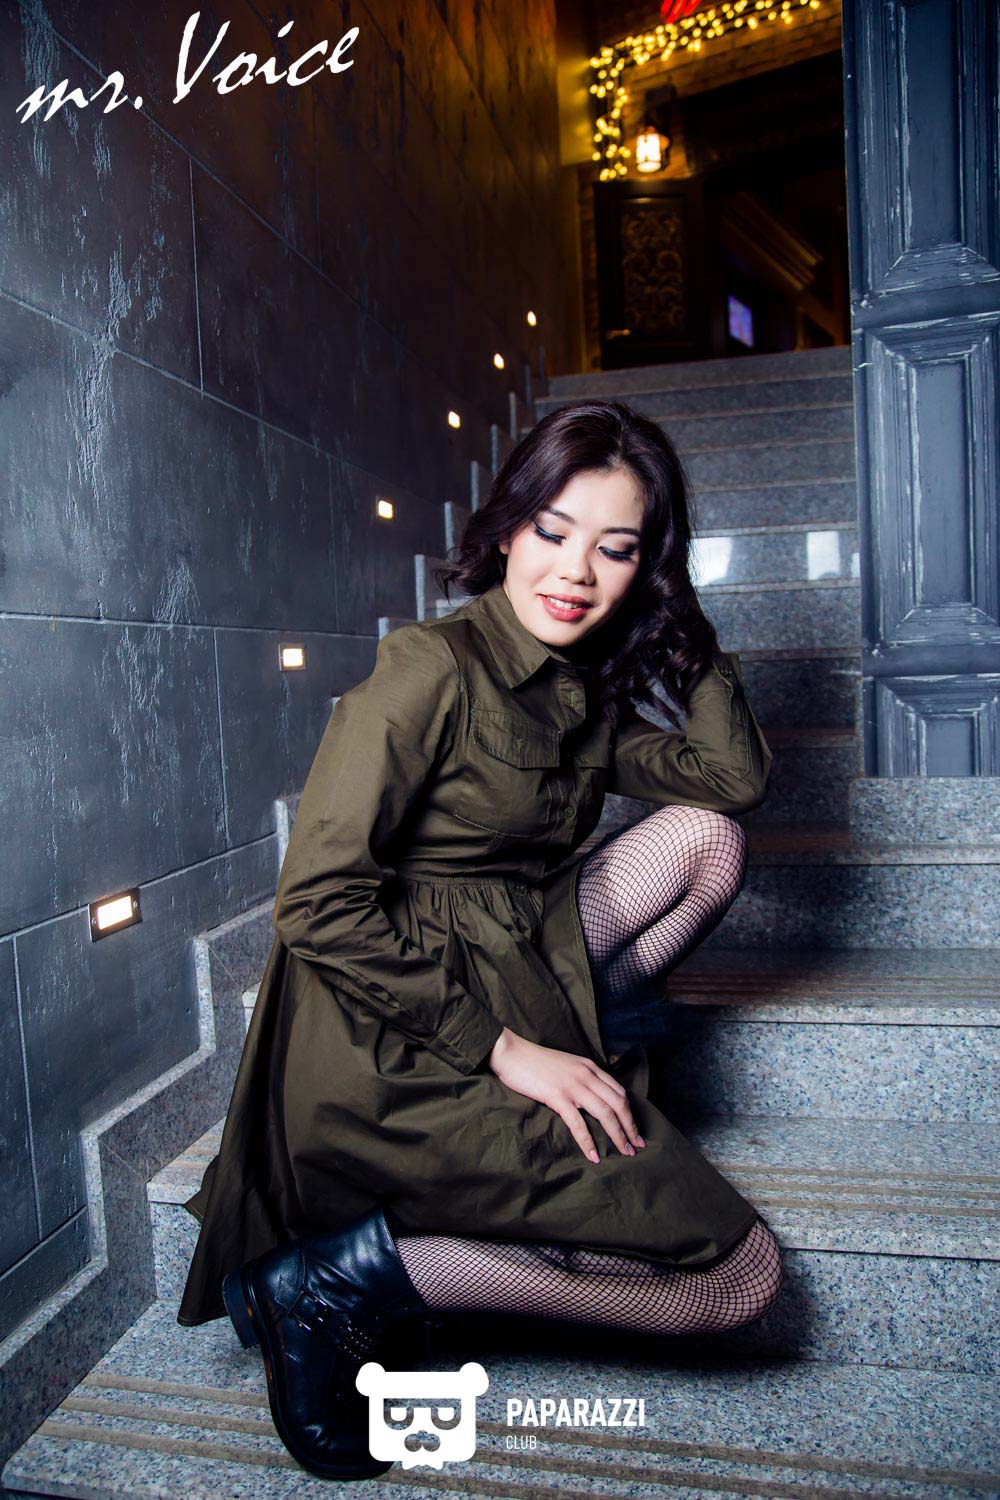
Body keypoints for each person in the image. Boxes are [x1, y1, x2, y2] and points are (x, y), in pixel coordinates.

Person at [176, 399, 782, 1482]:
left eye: (618, 549)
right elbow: (314, 904)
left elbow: (727, 780)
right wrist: (505, 1050)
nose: (575, 571)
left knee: (705, 841)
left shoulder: (580, 684)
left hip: (512, 952)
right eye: (553, 530)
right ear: (507, 528)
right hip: (386, 1032)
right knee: (736, 1281)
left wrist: (685, 629)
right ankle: (343, 1280)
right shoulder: (429, 667)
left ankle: (581, 1036)